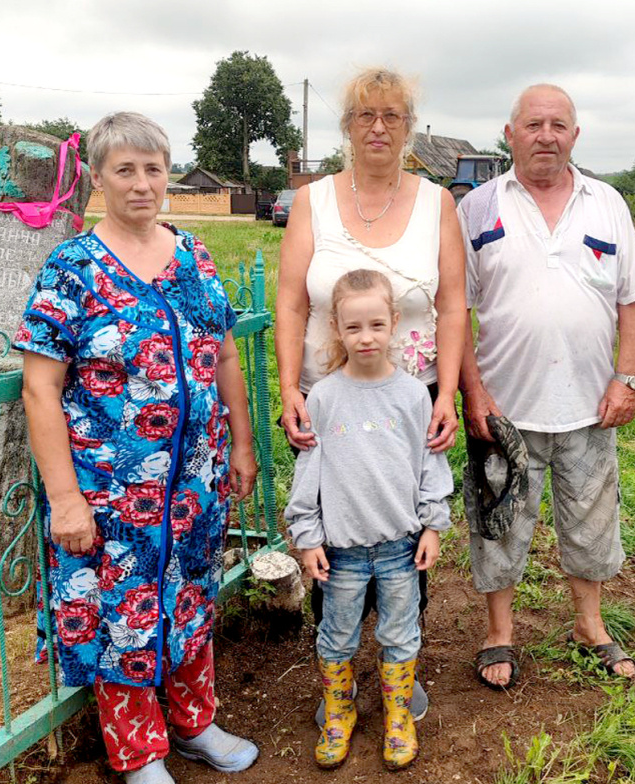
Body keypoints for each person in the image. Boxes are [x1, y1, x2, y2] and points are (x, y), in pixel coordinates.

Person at [16, 112, 259, 784]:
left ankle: (194, 723)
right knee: (121, 614)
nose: (142, 183)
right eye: (125, 169)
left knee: (190, 598)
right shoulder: (73, 269)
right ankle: (138, 753)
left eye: (154, 168)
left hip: (195, 483)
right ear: (98, 179)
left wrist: (241, 441)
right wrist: (65, 498)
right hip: (111, 490)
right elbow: (41, 389)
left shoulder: (194, 256)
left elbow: (226, 352)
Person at [275, 66, 466, 720]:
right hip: (325, 401)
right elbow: (291, 300)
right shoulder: (313, 201)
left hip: (412, 402)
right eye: (365, 116)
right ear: (348, 127)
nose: (378, 127)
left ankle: (396, 666)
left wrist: (447, 397)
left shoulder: (438, 202)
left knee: (407, 538)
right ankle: (338, 670)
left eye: (391, 116)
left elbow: (455, 302)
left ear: (408, 127)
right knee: (329, 535)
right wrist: (285, 387)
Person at [458, 84, 635, 689]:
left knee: (592, 520)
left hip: (591, 405)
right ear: (510, 133)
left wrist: (627, 378)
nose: (547, 135)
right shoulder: (477, 207)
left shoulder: (608, 203)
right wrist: (472, 392)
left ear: (575, 135)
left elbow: (634, 300)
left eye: (559, 125)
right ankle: (499, 634)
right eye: (534, 124)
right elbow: (454, 309)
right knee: (499, 521)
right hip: (504, 407)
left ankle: (590, 625)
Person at [285, 269, 453, 770]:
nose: (366, 337)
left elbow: (430, 467)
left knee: (400, 634)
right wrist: (307, 536)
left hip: (401, 547)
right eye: (354, 327)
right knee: (336, 635)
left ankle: (397, 715)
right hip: (342, 553)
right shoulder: (325, 397)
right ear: (337, 328)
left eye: (377, 325)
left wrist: (433, 525)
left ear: (395, 323)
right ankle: (340, 711)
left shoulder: (412, 395)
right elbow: (308, 474)